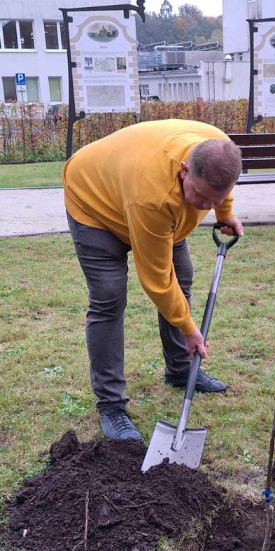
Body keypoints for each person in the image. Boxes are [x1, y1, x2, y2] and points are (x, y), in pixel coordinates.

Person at [63, 119, 245, 441]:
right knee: (109, 297)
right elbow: (158, 280)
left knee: (183, 277)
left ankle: (179, 371)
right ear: (185, 169)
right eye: (201, 197)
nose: (205, 206)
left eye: (214, 201)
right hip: (94, 201)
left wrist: (223, 213)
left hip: (142, 195)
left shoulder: (218, 146)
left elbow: (217, 192)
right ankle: (111, 405)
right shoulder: (154, 197)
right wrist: (190, 330)